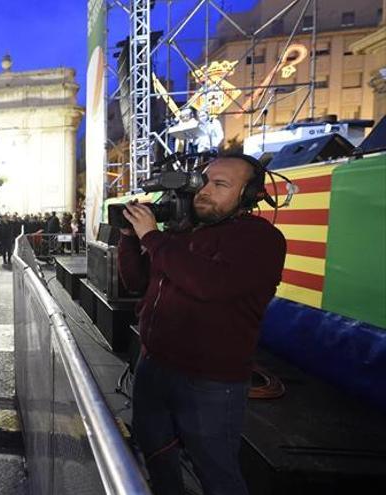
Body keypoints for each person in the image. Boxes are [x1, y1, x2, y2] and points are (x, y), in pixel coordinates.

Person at [117, 154, 287, 495]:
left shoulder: (261, 239)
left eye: (220, 185)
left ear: (249, 194)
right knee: (157, 454)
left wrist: (151, 237)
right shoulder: (180, 236)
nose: (204, 191)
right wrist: (128, 238)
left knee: (215, 471)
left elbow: (209, 284)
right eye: (203, 181)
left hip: (209, 382)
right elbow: (136, 282)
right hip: (154, 367)